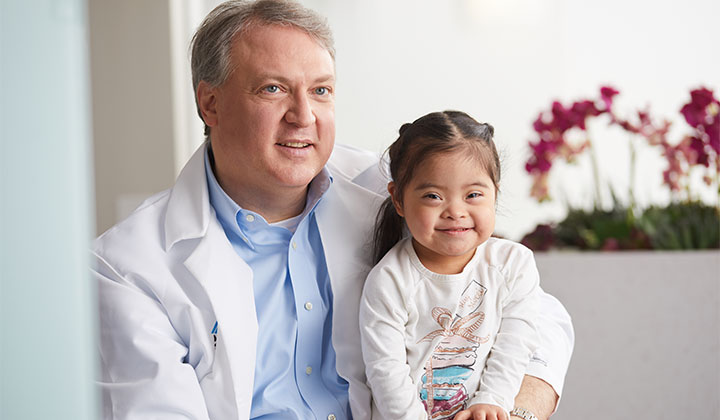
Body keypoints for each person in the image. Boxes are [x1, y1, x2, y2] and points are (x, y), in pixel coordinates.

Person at [92, 1, 573, 419]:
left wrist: (516, 410)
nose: (304, 115)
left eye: (320, 90)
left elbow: (534, 311)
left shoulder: (395, 189)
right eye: (273, 89)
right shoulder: (128, 267)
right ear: (210, 103)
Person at [359, 111, 540, 420]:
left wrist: (491, 401)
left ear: (495, 193)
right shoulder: (390, 280)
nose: (455, 211)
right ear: (399, 199)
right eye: (433, 196)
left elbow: (515, 344)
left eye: (473, 195)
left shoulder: (513, 264)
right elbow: (386, 372)